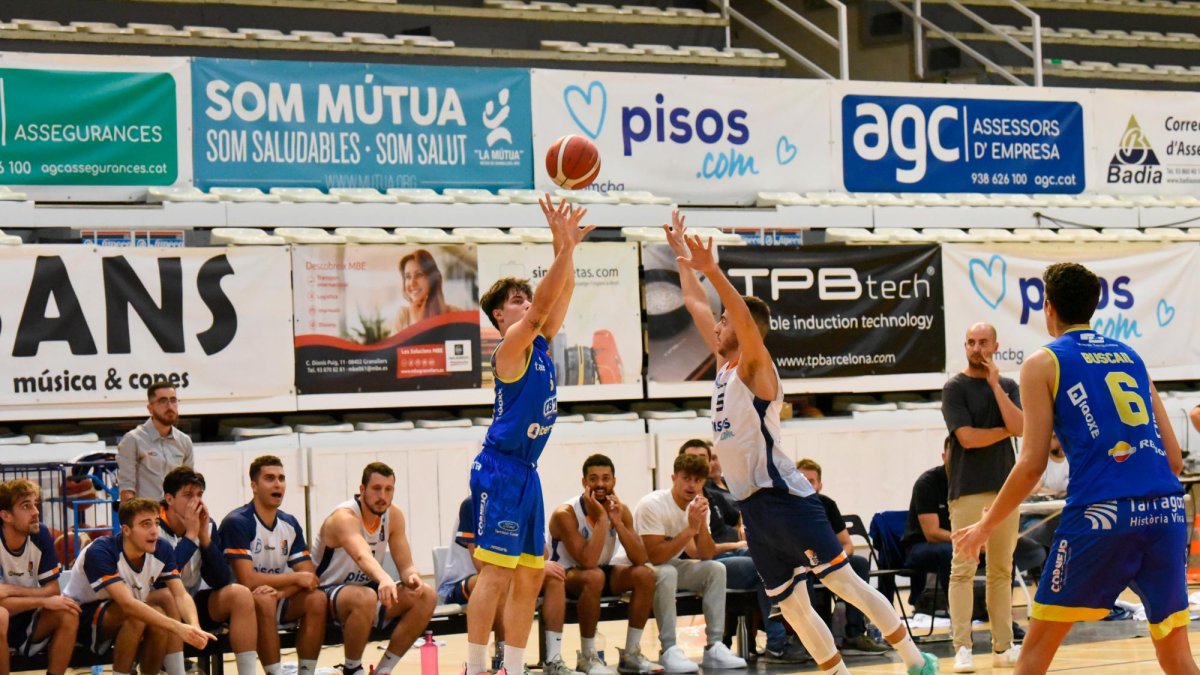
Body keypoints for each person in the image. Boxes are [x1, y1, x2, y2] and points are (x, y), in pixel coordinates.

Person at [664, 210, 937, 675]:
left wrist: (713, 270)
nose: (717, 325)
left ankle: (915, 660)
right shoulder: (724, 365)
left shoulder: (756, 368)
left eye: (726, 320)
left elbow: (746, 326)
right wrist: (684, 261)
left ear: (746, 327)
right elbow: (695, 305)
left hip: (786, 498)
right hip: (754, 506)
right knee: (790, 606)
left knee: (843, 584)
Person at [954, 262, 1199, 675]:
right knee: (1176, 654)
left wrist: (984, 527)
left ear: (1047, 307)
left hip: (1101, 515)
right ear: (1095, 305)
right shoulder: (1132, 357)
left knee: (1035, 653)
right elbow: (1174, 461)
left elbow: (1032, 464)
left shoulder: (1043, 362)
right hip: (1167, 512)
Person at [464, 195, 594, 675]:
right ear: (500, 317)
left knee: (530, 575)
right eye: (513, 301)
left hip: (526, 472)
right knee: (496, 573)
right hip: (500, 469)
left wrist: (568, 247)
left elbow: (559, 300)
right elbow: (542, 306)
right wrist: (562, 248)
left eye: (523, 297)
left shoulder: (538, 342)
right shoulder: (511, 347)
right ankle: (476, 667)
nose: (524, 304)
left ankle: (514, 668)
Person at [678, 441, 806, 664]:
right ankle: (778, 644)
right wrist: (736, 546)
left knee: (787, 558)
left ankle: (800, 634)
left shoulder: (709, 496)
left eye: (702, 458)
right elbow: (699, 553)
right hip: (697, 567)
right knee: (764, 566)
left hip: (722, 557)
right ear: (678, 468)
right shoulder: (685, 499)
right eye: (691, 460)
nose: (697, 464)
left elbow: (740, 515)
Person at [942, 322, 1024, 672]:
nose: (976, 349)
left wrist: (995, 385)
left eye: (983, 342)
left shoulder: (1007, 386)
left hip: (1006, 488)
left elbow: (1020, 428)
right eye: (971, 343)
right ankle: (962, 647)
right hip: (968, 489)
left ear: (996, 346)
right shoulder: (954, 387)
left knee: (1001, 571)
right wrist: (1005, 430)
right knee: (963, 569)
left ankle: (1003, 647)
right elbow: (968, 439)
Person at [64, 498, 215, 675]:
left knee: (161, 608)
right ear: (126, 530)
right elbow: (127, 604)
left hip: (123, 612)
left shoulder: (161, 548)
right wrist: (178, 627)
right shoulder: (101, 551)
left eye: (156, 523)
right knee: (138, 616)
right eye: (145, 524)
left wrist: (194, 626)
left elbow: (180, 594)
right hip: (80, 618)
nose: (154, 531)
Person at [312, 462, 437, 675]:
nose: (383, 496)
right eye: (376, 489)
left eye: (389, 490)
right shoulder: (344, 517)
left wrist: (412, 577)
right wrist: (384, 578)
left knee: (426, 595)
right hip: (326, 594)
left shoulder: (393, 516)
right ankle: (352, 669)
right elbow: (361, 555)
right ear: (362, 490)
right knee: (365, 597)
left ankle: (382, 670)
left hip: (367, 592)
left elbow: (406, 565)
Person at [548, 454, 661, 675]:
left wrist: (617, 521)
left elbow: (640, 558)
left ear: (614, 481)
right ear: (584, 483)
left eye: (605, 478)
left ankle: (631, 654)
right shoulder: (566, 513)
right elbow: (587, 561)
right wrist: (601, 518)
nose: (600, 484)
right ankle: (588, 656)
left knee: (644, 574)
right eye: (593, 479)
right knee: (593, 575)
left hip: (598, 572)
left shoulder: (620, 509)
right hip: (565, 576)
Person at [633, 453, 745, 672]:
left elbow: (704, 555)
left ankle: (715, 647)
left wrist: (700, 525)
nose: (691, 485)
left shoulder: (698, 507)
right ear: (674, 478)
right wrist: (690, 530)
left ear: (703, 482)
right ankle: (669, 650)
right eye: (686, 478)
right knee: (666, 572)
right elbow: (655, 556)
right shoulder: (652, 504)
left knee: (715, 569)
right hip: (635, 568)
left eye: (697, 480)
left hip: (666, 565)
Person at [441, 496, 579, 675]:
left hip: (507, 571)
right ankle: (502, 660)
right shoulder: (473, 503)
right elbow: (482, 565)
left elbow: (543, 553)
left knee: (555, 577)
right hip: (465, 581)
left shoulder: (526, 501)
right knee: (500, 579)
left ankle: (553, 659)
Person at [219, 455, 327, 675]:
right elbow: (247, 580)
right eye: (269, 478)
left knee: (317, 599)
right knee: (264, 598)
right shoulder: (238, 522)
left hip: (273, 597)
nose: (278, 484)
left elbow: (310, 577)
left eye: (281, 478)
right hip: (237, 605)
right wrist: (295, 578)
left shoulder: (289, 523)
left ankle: (306, 672)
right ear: (254, 486)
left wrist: (282, 592)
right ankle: (274, 673)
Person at [157, 467, 258, 675]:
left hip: (193, 603)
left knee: (240, 594)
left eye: (199, 495)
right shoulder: (153, 527)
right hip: (160, 606)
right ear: (169, 498)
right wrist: (191, 535)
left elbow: (221, 579)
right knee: (169, 596)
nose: (196, 502)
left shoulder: (206, 525)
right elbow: (162, 579)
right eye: (188, 495)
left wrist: (203, 537)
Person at [795, 459, 890, 656]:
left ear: (819, 485)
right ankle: (812, 641)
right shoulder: (787, 507)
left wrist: (833, 559)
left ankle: (854, 634)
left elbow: (848, 545)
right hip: (799, 562)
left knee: (859, 563)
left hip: (825, 560)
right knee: (802, 572)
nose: (806, 484)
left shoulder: (827, 505)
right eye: (802, 479)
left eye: (811, 480)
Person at [0, 479, 79, 675]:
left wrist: (11, 591)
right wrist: (43, 600)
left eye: (35, 504)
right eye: (26, 506)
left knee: (68, 611)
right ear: (6, 515)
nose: (36, 512)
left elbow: (53, 590)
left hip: (26, 615)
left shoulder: (40, 534)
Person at [118, 380, 194, 502]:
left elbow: (189, 485)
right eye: (163, 401)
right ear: (150, 408)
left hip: (175, 515)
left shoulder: (184, 441)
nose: (169, 406)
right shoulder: (133, 439)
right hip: (147, 515)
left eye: (173, 400)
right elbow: (127, 488)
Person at [900, 438, 953, 607]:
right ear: (944, 456)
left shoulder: (973, 482)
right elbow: (932, 533)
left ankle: (1002, 617)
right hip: (920, 546)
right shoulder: (928, 483)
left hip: (959, 542)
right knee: (950, 552)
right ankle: (957, 614)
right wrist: (969, 540)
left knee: (1002, 550)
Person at [394, 248, 464, 334]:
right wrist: (415, 324)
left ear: (432, 279)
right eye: (408, 277)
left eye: (419, 275)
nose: (412, 283)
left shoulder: (456, 314)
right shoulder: (403, 316)